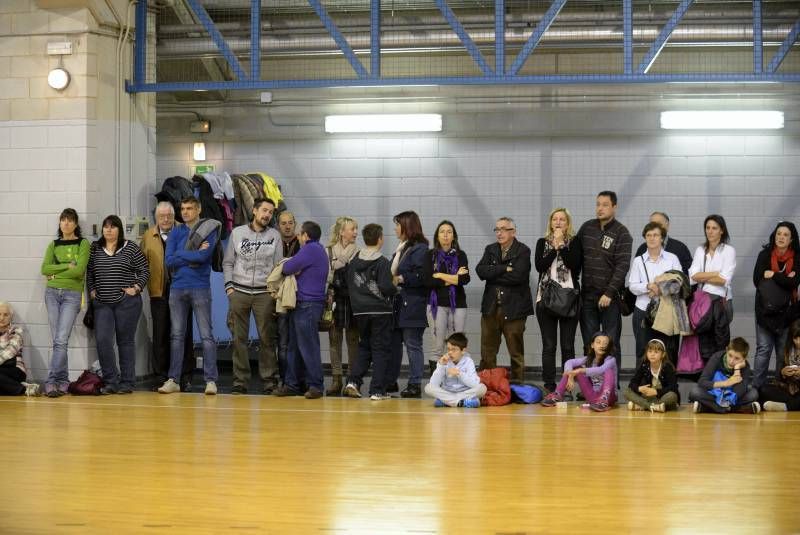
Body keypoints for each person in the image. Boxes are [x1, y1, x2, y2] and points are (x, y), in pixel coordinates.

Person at [158, 196, 220, 396]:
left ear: (199, 209)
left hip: (200, 288)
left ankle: (210, 381)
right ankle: (174, 379)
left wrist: (181, 255)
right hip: (177, 289)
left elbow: (204, 257)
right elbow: (168, 261)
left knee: (206, 336)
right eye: (183, 208)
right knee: (176, 336)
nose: (185, 212)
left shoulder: (208, 230)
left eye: (190, 208)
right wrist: (191, 254)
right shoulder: (175, 232)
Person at [223, 198, 283, 395]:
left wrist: (273, 292)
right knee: (239, 338)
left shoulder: (275, 235)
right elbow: (228, 262)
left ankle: (268, 381)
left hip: (264, 294)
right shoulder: (237, 233)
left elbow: (278, 266)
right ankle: (240, 382)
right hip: (239, 292)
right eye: (264, 210)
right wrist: (229, 288)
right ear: (255, 211)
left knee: (267, 339)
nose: (267, 215)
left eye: (270, 212)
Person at [87, 215, 150, 395]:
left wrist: (136, 288)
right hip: (102, 304)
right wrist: (92, 290)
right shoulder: (95, 248)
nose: (108, 230)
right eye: (106, 227)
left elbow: (145, 269)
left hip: (127, 303)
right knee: (103, 341)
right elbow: (90, 271)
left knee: (125, 342)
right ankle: (111, 381)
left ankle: (127, 382)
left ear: (119, 230)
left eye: (113, 227)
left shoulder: (130, 247)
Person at [141, 202, 195, 391]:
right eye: (162, 216)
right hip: (159, 292)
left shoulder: (186, 231)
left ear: (174, 216)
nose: (165, 219)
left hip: (183, 289)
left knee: (183, 334)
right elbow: (143, 264)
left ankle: (185, 375)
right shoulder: (148, 236)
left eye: (169, 216)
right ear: (156, 218)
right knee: (161, 334)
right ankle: (161, 376)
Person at [274, 221, 329, 399]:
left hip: (307, 303)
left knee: (307, 346)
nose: (298, 236)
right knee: (295, 346)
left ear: (306, 235)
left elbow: (288, 267)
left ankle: (316, 385)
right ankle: (292, 383)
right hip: (307, 304)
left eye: (300, 234)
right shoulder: (319, 250)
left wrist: (289, 266)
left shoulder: (310, 249)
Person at [577, 191, 632, 368]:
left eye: (605, 205)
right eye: (598, 204)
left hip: (610, 298)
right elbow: (576, 257)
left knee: (611, 343)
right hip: (588, 297)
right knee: (590, 343)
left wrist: (609, 293)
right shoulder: (586, 228)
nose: (600, 208)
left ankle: (611, 387)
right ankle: (590, 385)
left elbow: (622, 267)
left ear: (614, 207)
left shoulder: (622, 233)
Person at [342, 223, 397, 400]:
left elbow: (348, 284)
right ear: (380, 239)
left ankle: (353, 382)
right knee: (380, 350)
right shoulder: (382, 262)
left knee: (365, 347)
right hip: (380, 312)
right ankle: (377, 390)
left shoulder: (354, 261)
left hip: (359, 312)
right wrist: (395, 285)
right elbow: (386, 287)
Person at [476, 217, 533, 383]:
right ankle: (487, 385)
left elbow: (518, 277)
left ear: (513, 232)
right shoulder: (490, 249)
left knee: (516, 353)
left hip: (514, 309)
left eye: (503, 229)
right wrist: (503, 269)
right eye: (497, 229)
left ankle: (517, 386)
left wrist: (493, 274)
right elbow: (480, 271)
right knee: (487, 352)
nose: (499, 233)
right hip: (490, 308)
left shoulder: (523, 250)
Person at [40, 208, 89, 397]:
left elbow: (79, 272)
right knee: (59, 341)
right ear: (59, 223)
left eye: (70, 220)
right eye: (63, 220)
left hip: (72, 295)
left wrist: (56, 273)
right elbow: (44, 269)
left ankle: (51, 381)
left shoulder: (83, 244)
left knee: (60, 339)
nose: (66, 223)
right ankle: (63, 381)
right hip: (52, 293)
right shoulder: (53, 245)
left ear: (76, 224)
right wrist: (67, 265)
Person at [534, 208, 582, 392]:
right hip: (545, 299)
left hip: (569, 299)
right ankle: (549, 385)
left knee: (568, 345)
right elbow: (540, 266)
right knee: (549, 345)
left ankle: (566, 386)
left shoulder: (575, 242)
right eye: (555, 219)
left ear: (567, 223)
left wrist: (562, 244)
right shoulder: (542, 243)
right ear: (550, 222)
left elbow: (575, 265)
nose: (558, 222)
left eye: (562, 219)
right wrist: (554, 247)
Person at [387, 211, 430, 398]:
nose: (395, 228)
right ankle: (390, 380)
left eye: (398, 224)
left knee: (413, 344)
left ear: (407, 226)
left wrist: (401, 278)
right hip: (398, 303)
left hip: (412, 303)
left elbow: (422, 276)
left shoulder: (420, 249)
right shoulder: (402, 248)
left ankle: (414, 384)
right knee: (394, 344)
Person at [752, 221, 799, 388]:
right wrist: (785, 278)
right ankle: (756, 390)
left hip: (787, 314)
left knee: (782, 353)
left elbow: (794, 282)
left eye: (785, 235)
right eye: (779, 233)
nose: (781, 237)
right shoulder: (764, 255)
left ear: (791, 239)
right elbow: (757, 280)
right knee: (763, 350)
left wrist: (773, 275)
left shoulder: (797, 258)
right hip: (765, 311)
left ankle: (781, 388)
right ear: (774, 235)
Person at [628, 222, 682, 363]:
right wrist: (648, 286)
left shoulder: (672, 258)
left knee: (667, 350)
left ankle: (666, 384)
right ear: (645, 238)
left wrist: (659, 289)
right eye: (649, 235)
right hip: (643, 311)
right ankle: (642, 384)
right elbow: (632, 286)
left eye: (656, 235)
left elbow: (679, 284)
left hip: (666, 311)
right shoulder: (639, 261)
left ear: (662, 238)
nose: (652, 238)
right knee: (643, 350)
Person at [689, 214, 736, 362]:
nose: (710, 231)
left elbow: (724, 280)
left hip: (721, 302)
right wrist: (715, 274)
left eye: (714, 228)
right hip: (702, 304)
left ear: (722, 230)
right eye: (708, 228)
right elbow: (692, 277)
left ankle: (720, 377)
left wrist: (703, 276)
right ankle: (707, 378)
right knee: (704, 342)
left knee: (721, 342)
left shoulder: (729, 250)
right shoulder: (700, 250)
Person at [424, 220, 470, 370]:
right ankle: (437, 379)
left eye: (449, 232)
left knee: (457, 344)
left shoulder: (460, 255)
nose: (445, 235)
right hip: (436, 304)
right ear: (437, 236)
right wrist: (453, 278)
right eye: (442, 232)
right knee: (438, 345)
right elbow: (428, 281)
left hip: (458, 304)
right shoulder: (430, 255)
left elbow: (464, 279)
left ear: (453, 236)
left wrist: (439, 275)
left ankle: (457, 378)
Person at [324, 216, 360, 396]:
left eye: (356, 229)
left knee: (353, 341)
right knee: (334, 340)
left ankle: (352, 381)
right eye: (352, 229)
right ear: (341, 232)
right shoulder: (328, 251)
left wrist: (336, 269)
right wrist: (339, 270)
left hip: (353, 300)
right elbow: (326, 276)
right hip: (334, 299)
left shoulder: (359, 252)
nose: (355, 232)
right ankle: (336, 379)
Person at [541, 331, 618, 411]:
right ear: (592, 345)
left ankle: (603, 400)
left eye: (605, 343)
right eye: (598, 342)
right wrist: (571, 375)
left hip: (609, 398)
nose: (602, 345)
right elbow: (569, 362)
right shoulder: (589, 359)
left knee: (608, 370)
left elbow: (601, 369)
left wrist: (580, 371)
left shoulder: (611, 360)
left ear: (608, 347)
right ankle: (558, 394)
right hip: (593, 398)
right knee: (574, 367)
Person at [688, 337, 759, 414]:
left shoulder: (745, 366)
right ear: (726, 350)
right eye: (730, 355)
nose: (732, 361)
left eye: (737, 358)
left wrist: (737, 369)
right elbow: (702, 382)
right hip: (714, 394)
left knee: (753, 393)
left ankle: (708, 407)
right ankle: (733, 409)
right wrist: (726, 383)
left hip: (730, 397)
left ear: (744, 358)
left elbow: (739, 391)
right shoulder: (717, 357)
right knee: (695, 392)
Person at [424, 332, 486, 408]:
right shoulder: (444, 361)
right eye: (448, 349)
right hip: (447, 392)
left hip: (464, 392)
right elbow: (434, 384)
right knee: (428, 388)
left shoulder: (469, 361)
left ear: (463, 350)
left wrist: (459, 374)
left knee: (482, 388)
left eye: (454, 349)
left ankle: (447, 402)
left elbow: (475, 384)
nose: (450, 352)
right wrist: (441, 366)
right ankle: (459, 402)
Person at [275, 210, 300, 384]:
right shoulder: (273, 243)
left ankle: (299, 379)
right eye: (283, 223)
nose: (287, 226)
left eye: (290, 222)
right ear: (278, 226)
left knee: (298, 343)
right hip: (278, 299)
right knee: (282, 343)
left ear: (295, 224)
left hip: (299, 298)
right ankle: (284, 379)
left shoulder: (302, 243)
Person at [624, 339, 680, 412]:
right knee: (627, 391)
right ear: (646, 353)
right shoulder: (644, 365)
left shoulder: (667, 367)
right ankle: (653, 406)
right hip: (650, 397)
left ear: (663, 354)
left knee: (672, 396)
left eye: (656, 352)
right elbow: (632, 383)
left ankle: (643, 406)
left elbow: (673, 387)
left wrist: (656, 392)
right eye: (650, 351)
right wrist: (639, 388)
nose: (652, 354)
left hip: (662, 397)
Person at [0, 302, 40, 396]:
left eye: (6, 315)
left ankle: (22, 390)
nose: (2, 318)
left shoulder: (16, 330)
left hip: (15, 370)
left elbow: (10, 351)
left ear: (11, 316)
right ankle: (23, 387)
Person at [759, 320, 800, 411]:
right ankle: (792, 404)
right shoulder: (788, 350)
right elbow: (780, 379)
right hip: (789, 390)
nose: (798, 342)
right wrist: (783, 372)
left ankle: (785, 407)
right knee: (763, 390)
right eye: (795, 338)